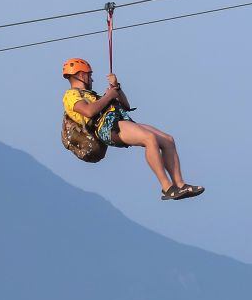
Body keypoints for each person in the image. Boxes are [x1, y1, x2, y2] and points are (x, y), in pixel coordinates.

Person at [62, 58, 205, 201]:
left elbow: (126, 105)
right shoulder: (71, 95)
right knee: (149, 139)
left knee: (168, 140)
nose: (92, 79)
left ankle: (180, 184)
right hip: (107, 127)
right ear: (81, 75)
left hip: (120, 120)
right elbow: (88, 111)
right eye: (90, 75)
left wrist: (115, 87)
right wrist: (109, 96)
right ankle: (167, 187)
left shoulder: (93, 95)